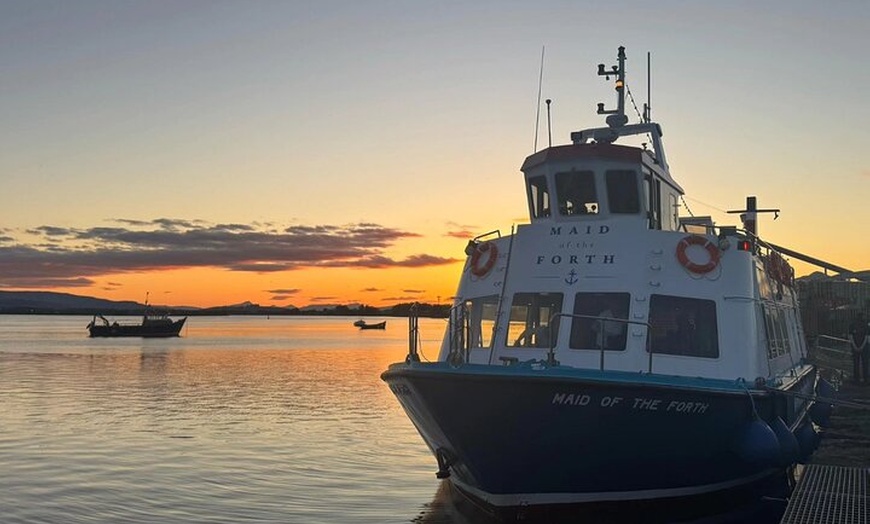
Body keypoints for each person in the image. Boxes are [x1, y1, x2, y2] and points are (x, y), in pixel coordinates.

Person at [848, 313, 869, 384]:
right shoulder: (866, 325)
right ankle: (865, 378)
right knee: (865, 363)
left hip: (855, 346)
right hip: (864, 347)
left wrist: (855, 346)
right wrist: (862, 346)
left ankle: (856, 378)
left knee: (856, 363)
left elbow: (850, 336)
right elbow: (867, 337)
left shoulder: (852, 325)